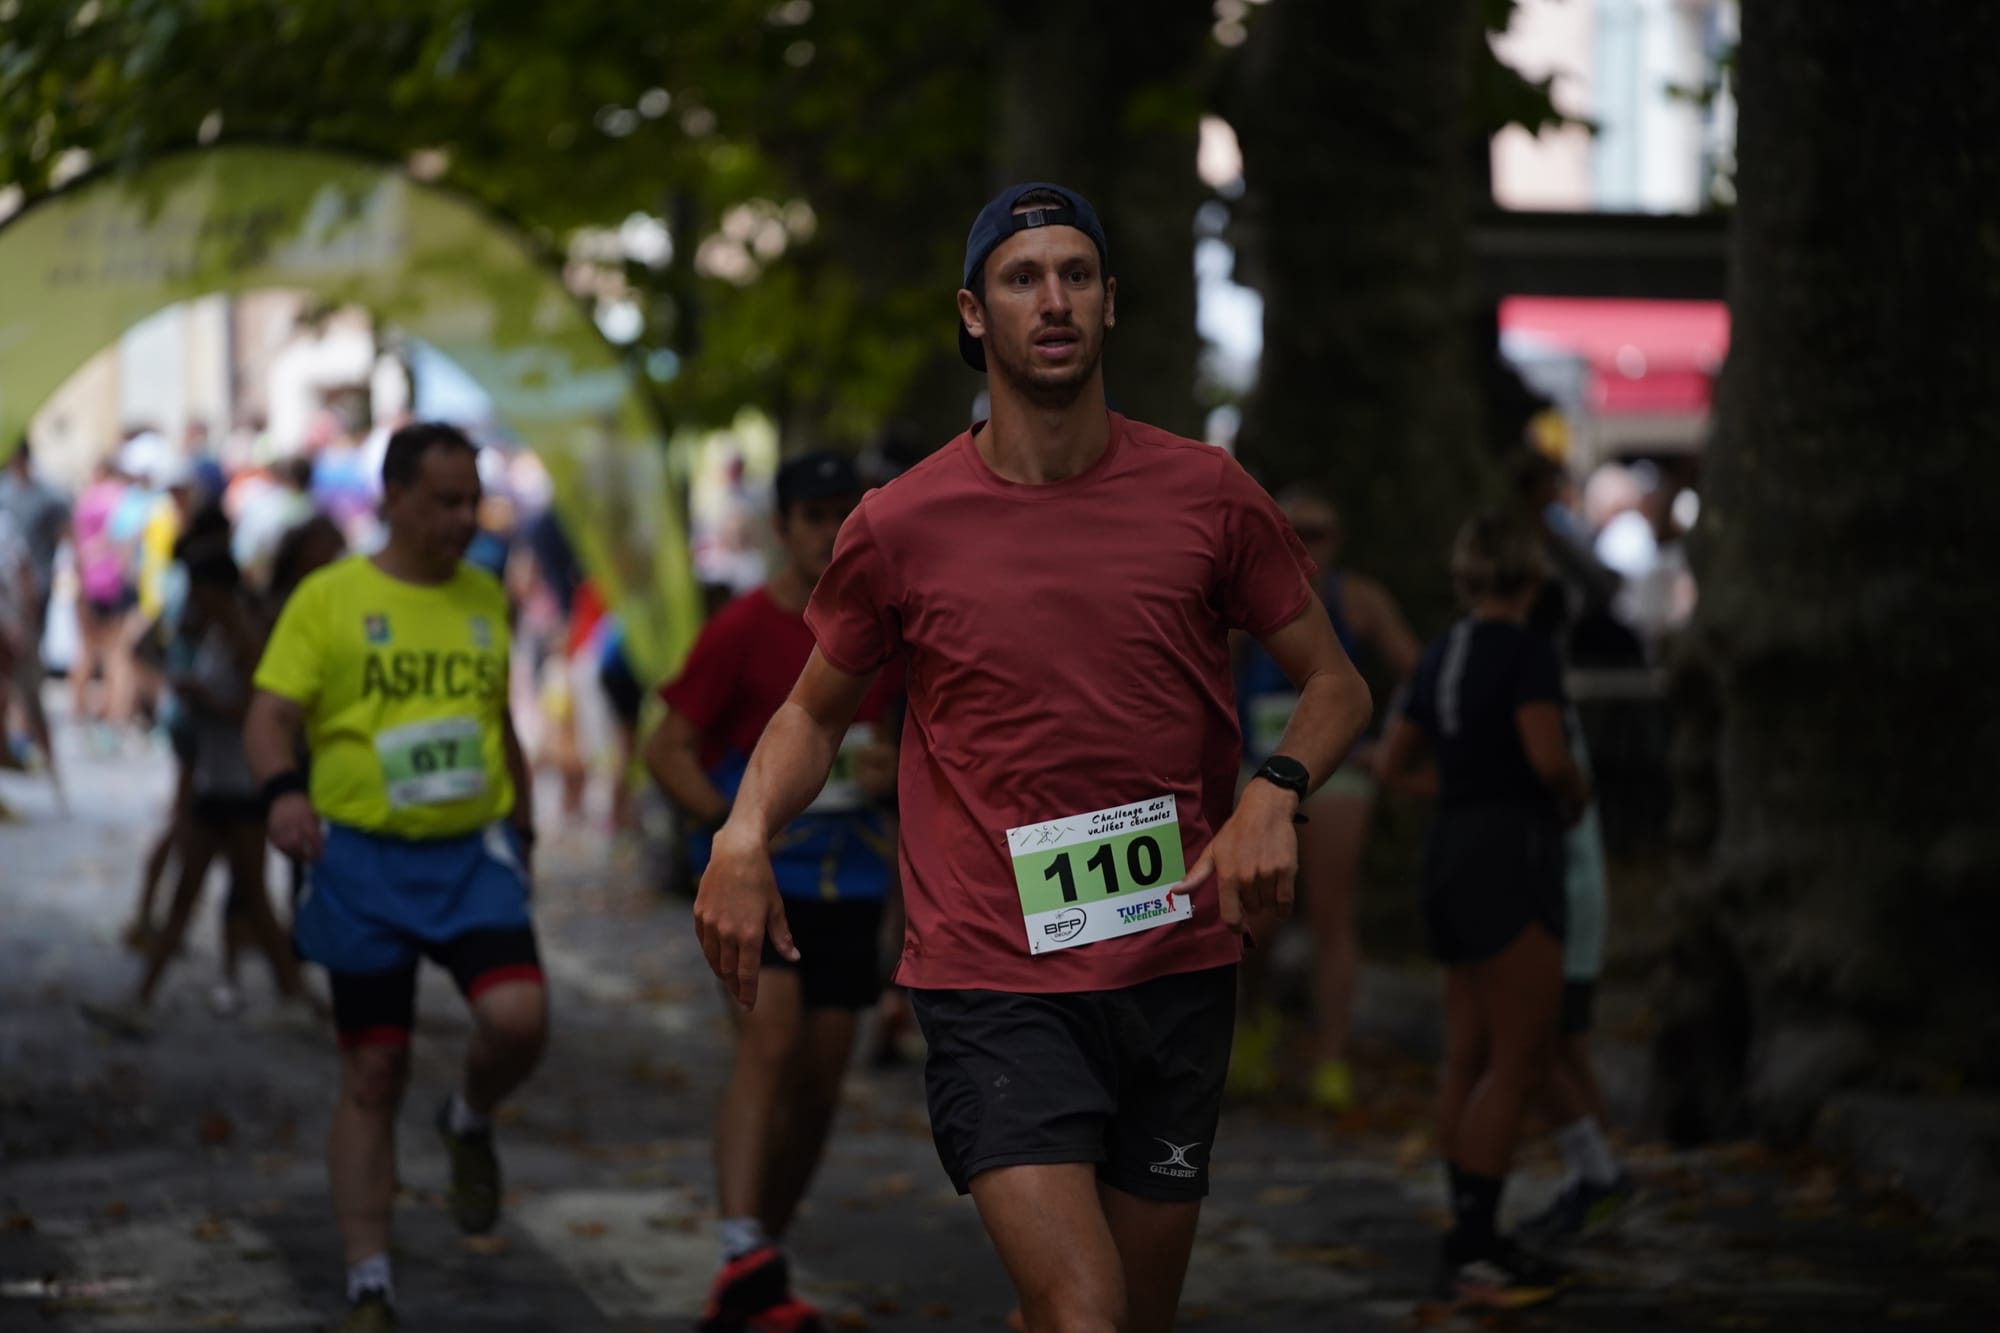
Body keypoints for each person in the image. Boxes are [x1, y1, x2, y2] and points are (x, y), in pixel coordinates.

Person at [692, 182, 1372, 1333]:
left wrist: (1273, 789)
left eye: (1075, 275)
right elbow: (811, 713)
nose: (1051, 299)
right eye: (1021, 278)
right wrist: (742, 832)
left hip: (1173, 964)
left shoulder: (1205, 494)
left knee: (1116, 1317)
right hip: (993, 975)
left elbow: (1334, 682)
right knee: (1082, 1307)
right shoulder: (900, 524)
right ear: (973, 313)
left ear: (1111, 305)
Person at [244, 422, 545, 1333]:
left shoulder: (484, 594)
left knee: (519, 1019)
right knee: (374, 1067)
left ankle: (469, 1115)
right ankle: (369, 1279)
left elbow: (498, 722)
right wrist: (285, 794)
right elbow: (269, 715)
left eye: (472, 500)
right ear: (395, 498)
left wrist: (523, 824)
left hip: (470, 855)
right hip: (362, 860)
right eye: (445, 501)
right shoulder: (329, 598)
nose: (464, 518)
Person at [648, 450, 903, 1333]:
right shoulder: (746, 627)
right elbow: (666, 747)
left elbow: (920, 742)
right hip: (764, 880)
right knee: (772, 1042)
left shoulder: (886, 623)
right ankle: (738, 1244)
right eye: (816, 513)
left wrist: (893, 767)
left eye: (848, 510)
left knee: (824, 1077)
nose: (834, 530)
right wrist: (731, 824)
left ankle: (760, 1257)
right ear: (783, 527)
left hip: (854, 877)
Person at [1375, 512, 1589, 1308]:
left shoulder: (1442, 653)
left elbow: (1395, 761)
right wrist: (1571, 795)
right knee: (1519, 1056)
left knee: (1465, 1051)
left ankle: (1467, 1229)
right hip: (1512, 857)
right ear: (1532, 580)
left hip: (1448, 853)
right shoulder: (1527, 654)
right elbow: (1548, 756)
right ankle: (1480, 1246)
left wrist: (1459, 791)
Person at [1228, 488, 1420, 1112]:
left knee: (1333, 913)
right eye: (1297, 530)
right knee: (1253, 916)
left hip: (1335, 773)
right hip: (1258, 766)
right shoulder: (1244, 593)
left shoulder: (1358, 600)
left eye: (1322, 532)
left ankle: (1331, 1055)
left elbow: (1418, 672)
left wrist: (1383, 746)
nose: (1309, 544)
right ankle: (1253, 1029)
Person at [82, 536, 311, 1031]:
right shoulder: (214, 635)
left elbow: (257, 714)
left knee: (244, 899)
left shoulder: (247, 642)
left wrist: (206, 701)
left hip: (242, 787)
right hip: (216, 782)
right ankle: (147, 996)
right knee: (197, 895)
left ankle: (295, 996)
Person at [0, 440, 70, 780]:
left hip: (17, 618)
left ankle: (48, 764)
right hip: (16, 617)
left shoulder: (10, 517)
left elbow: (23, 573)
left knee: (28, 689)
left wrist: (23, 621)